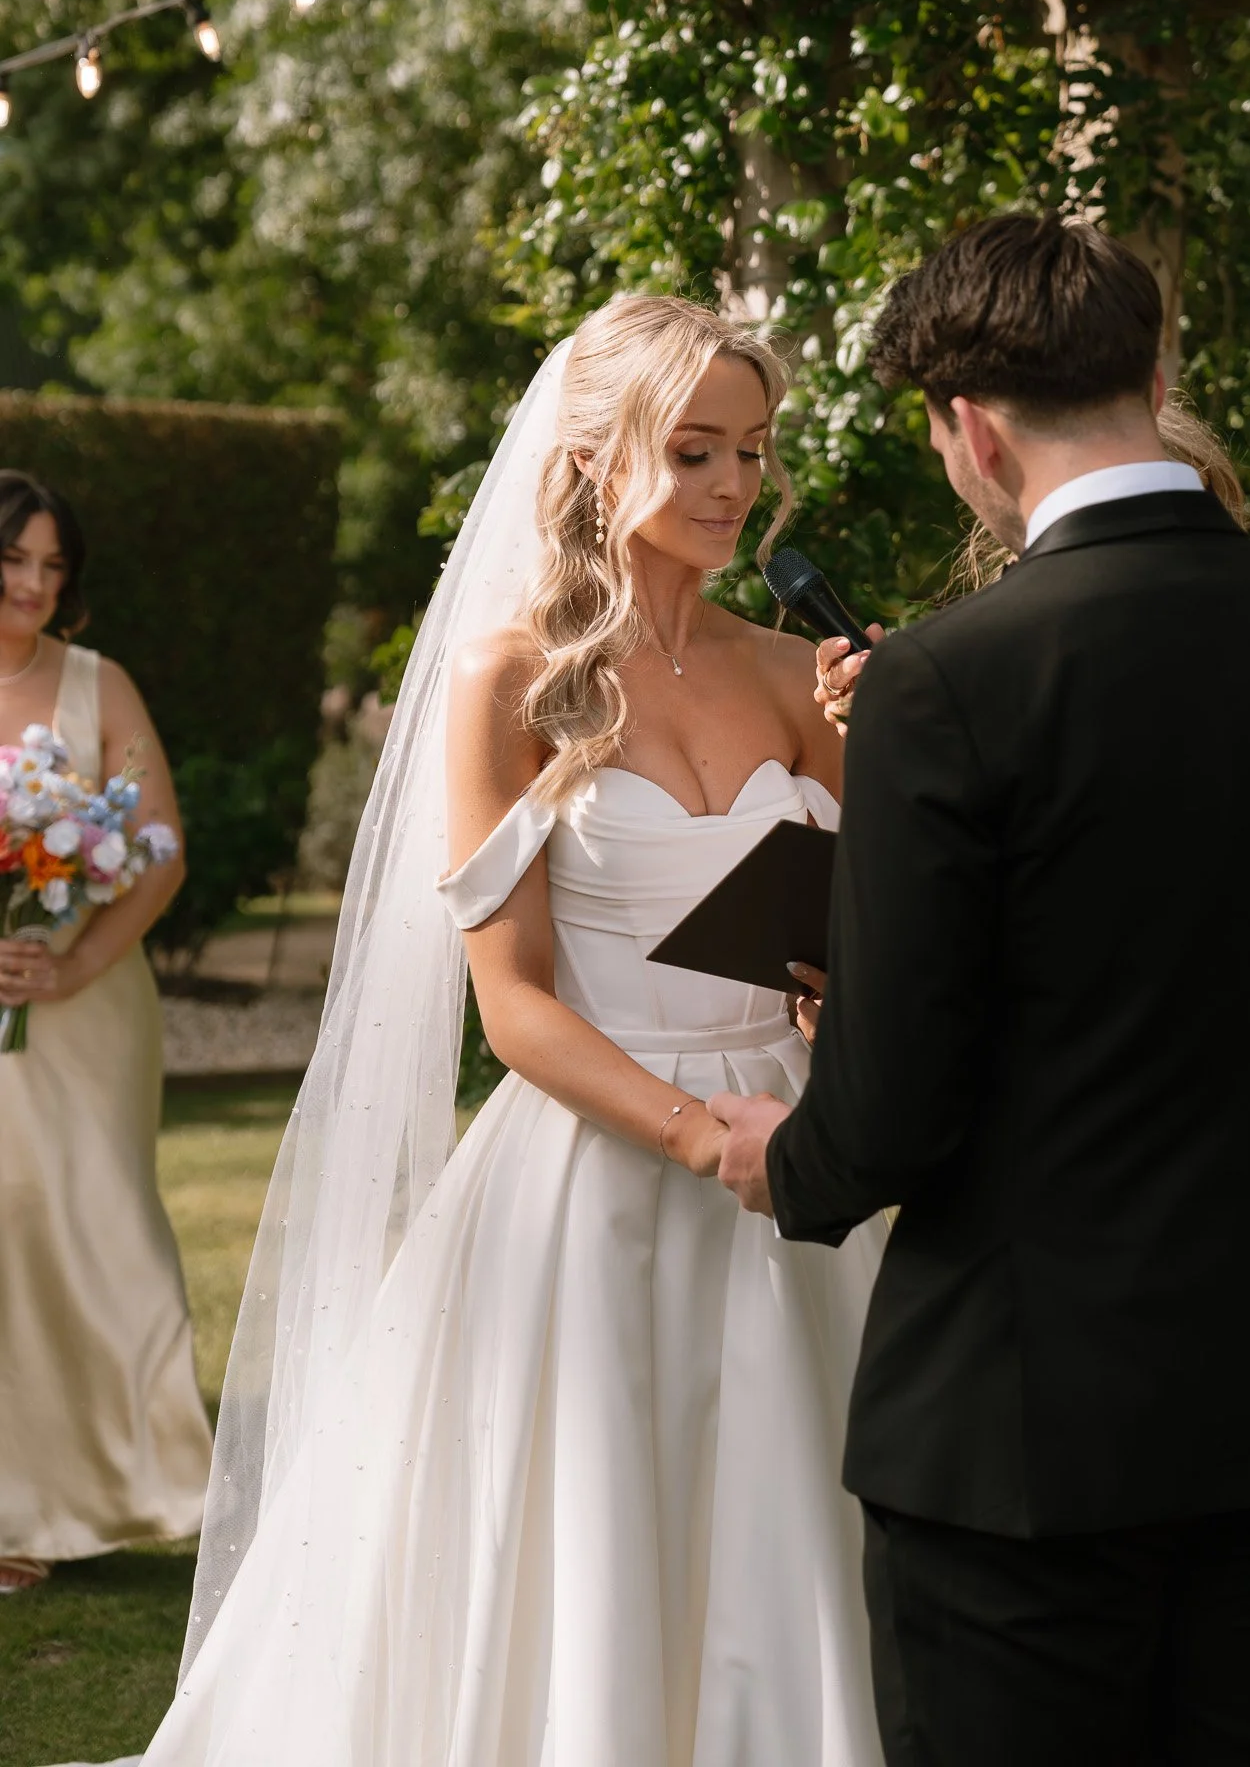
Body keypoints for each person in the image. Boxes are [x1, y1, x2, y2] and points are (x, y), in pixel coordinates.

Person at [124, 296, 885, 1766]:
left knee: (793, 1523)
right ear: (597, 460)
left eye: (752, 450)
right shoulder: (516, 679)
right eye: (695, 450)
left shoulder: (803, 679)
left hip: (793, 1158)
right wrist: (694, 1132)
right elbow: (515, 1001)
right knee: (597, 1533)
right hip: (599, 1175)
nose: (735, 485)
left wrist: (892, 757)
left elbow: (854, 944)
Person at [711, 213, 1250, 1766]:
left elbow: (893, 1102)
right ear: (1150, 370)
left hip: (1018, 1429)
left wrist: (784, 1160)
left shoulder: (948, 679)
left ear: (969, 433)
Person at [0, 471, 212, 1595]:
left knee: (99, 1225)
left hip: (88, 1007)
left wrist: (71, 959)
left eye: (54, 566)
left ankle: (129, 1482)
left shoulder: (98, 682)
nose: (36, 583)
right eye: (15, 560)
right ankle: (15, 1510)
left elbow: (161, 843)